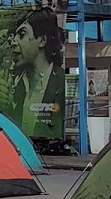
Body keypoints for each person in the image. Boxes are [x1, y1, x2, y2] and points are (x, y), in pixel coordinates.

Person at [6, 8, 66, 136]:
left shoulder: (60, 81)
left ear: (42, 40)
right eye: (14, 35)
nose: (13, 42)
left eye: (22, 34)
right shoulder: (14, 86)